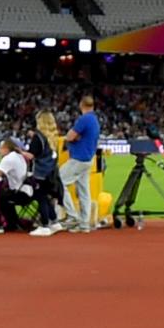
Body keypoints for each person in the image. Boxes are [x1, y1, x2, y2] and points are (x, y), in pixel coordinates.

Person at [46, 93, 99, 234]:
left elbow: (70, 136)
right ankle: (84, 223)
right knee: (84, 191)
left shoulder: (84, 119)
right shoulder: (94, 120)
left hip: (78, 158)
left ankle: (72, 215)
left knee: (58, 181)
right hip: (88, 159)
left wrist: (73, 137)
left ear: (81, 105)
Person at [27, 110, 63, 234]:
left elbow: (31, 155)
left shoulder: (38, 137)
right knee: (46, 197)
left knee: (40, 197)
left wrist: (18, 151)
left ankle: (45, 224)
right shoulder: (53, 137)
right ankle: (54, 220)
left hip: (40, 172)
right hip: (51, 172)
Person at [0, 137, 36, 232]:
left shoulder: (9, 158)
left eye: (0, 148)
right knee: (4, 195)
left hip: (21, 193)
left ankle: (11, 224)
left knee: (0, 198)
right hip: (27, 190)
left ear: (6, 149)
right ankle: (14, 222)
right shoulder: (17, 156)